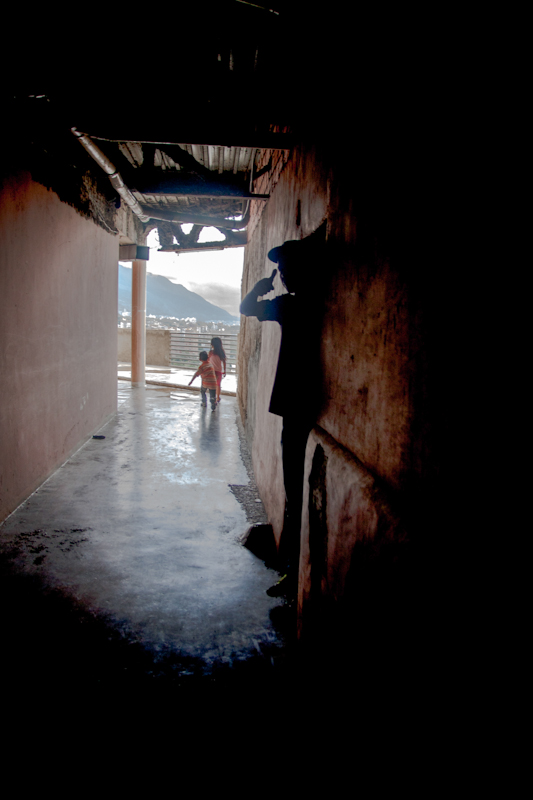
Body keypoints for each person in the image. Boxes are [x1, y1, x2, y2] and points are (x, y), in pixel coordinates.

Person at [240, 225, 325, 599]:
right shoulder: (310, 301)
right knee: (295, 491)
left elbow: (245, 309)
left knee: (293, 493)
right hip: (306, 402)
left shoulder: (289, 305)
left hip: (294, 403)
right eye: (283, 269)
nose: (285, 274)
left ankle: (291, 570)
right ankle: (289, 567)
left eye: (288, 268)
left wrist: (263, 285)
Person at [208, 337, 226, 404]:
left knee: (212, 385)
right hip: (219, 371)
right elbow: (224, 362)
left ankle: (212, 397)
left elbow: (207, 360)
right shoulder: (221, 352)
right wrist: (225, 370)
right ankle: (217, 397)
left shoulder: (211, 353)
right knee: (218, 385)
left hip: (211, 371)